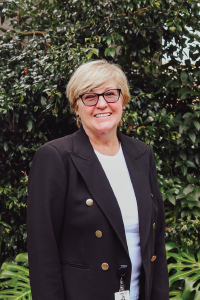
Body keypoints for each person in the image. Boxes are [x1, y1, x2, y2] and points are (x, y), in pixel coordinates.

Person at [27, 59, 169, 300]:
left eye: (110, 94)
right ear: (76, 106)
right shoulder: (56, 157)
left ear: (123, 100)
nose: (102, 104)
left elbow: (156, 241)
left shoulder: (142, 155)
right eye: (89, 97)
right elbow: (43, 252)